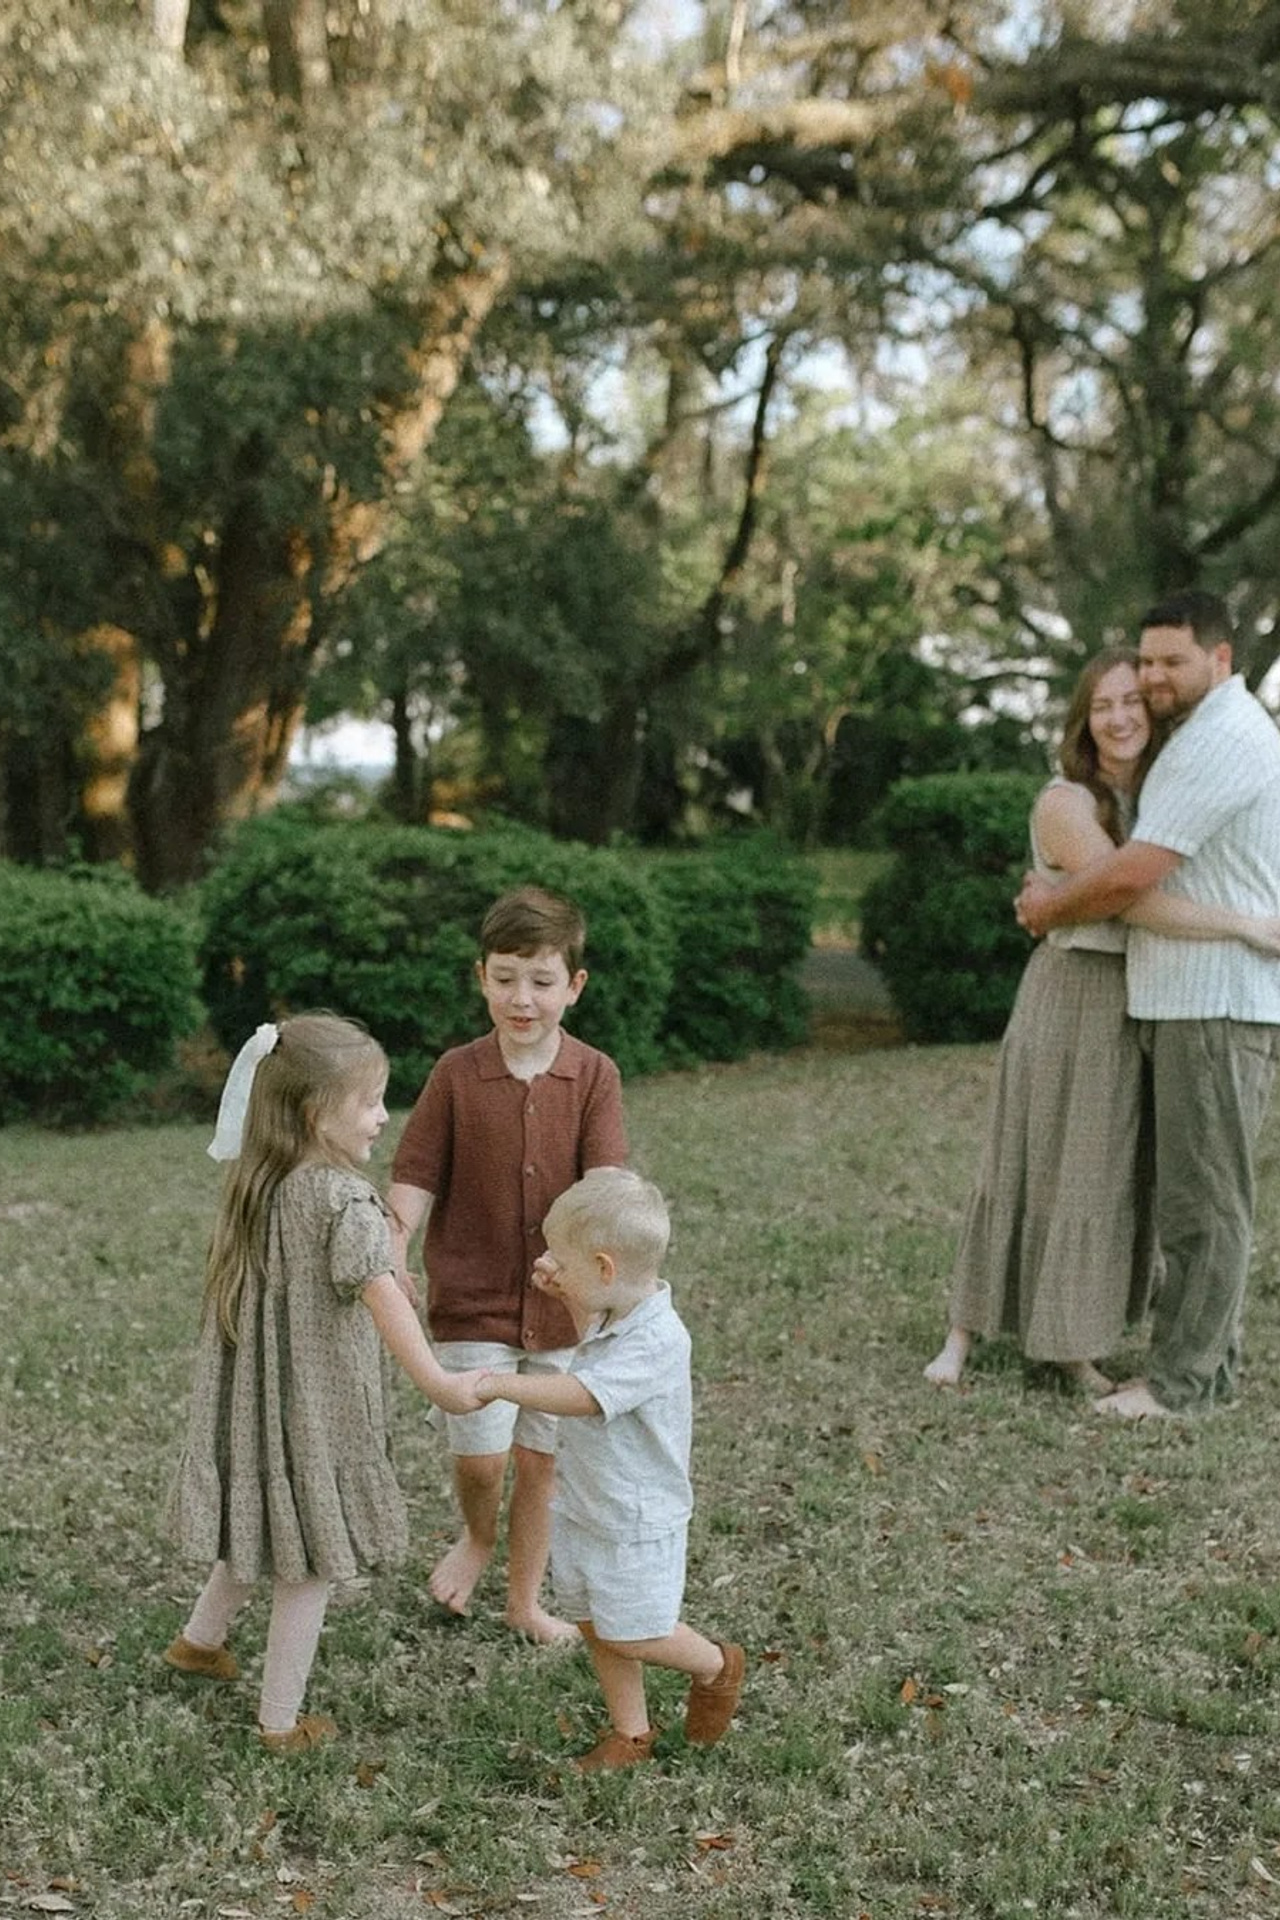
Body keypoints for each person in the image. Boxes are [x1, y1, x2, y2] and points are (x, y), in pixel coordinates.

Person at [927, 647, 1280, 1393]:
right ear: (1082, 721)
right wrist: (1246, 926)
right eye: (1102, 706)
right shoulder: (1067, 803)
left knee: (1097, 1175)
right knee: (1023, 1155)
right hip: (1071, 992)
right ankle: (961, 1332)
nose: (1119, 718)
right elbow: (1130, 902)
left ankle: (1070, 1339)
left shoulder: (1156, 800)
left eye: (1131, 703)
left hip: (1132, 998)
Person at [164, 1014, 484, 1752]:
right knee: (306, 1563)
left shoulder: (259, 1184)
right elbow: (384, 1299)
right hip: (312, 1414)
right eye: (369, 1101)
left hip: (257, 1409)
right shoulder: (343, 1201)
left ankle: (198, 1642)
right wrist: (439, 1382)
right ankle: (280, 1723)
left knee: (261, 1527)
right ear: (315, 1112)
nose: (383, 1116)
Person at [1017, 593, 1280, 1417]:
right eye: (1149, 659)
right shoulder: (1195, 735)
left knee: (1206, 1204)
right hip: (1186, 997)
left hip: (1215, 998)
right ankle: (1205, 1363)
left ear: (1221, 658)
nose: (1157, 676)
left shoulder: (1223, 739)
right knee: (1191, 1199)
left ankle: (1182, 1386)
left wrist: (1049, 905)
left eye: (1174, 660)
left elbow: (1132, 874)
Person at [387, 886, 627, 1644]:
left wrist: (583, 1262)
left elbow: (606, 1186)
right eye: (505, 978)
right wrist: (393, 1248)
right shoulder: (456, 1074)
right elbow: (413, 1176)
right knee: (483, 1457)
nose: (523, 999)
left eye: (542, 981)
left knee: (540, 1459)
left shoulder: (594, 1076)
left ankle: (524, 1603)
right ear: (481, 978)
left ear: (574, 986)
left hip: (561, 1311)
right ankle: (477, 1535)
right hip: (472, 1302)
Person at [475, 1166, 745, 1771]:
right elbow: (589, 1351)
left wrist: (499, 1385)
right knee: (596, 1623)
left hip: (634, 1519)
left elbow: (584, 1394)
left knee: (634, 1631)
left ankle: (715, 1664)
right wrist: (569, 1294)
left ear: (604, 1268)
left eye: (560, 1259)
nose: (548, 1264)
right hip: (588, 1504)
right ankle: (632, 1733)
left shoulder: (660, 1339)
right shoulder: (612, 1310)